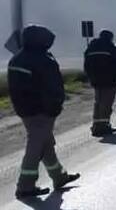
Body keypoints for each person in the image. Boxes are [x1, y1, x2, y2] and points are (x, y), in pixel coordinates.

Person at [10, 25, 82, 199]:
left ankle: (59, 177)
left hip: (26, 109)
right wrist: (54, 105)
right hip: (40, 110)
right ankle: (25, 186)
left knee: (45, 144)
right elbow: (48, 87)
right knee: (36, 146)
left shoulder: (18, 58)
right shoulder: (40, 59)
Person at [84, 29, 116, 136]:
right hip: (109, 81)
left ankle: (96, 125)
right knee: (106, 103)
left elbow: (86, 64)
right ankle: (104, 126)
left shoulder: (91, 47)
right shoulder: (111, 47)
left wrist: (90, 77)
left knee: (98, 102)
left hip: (95, 80)